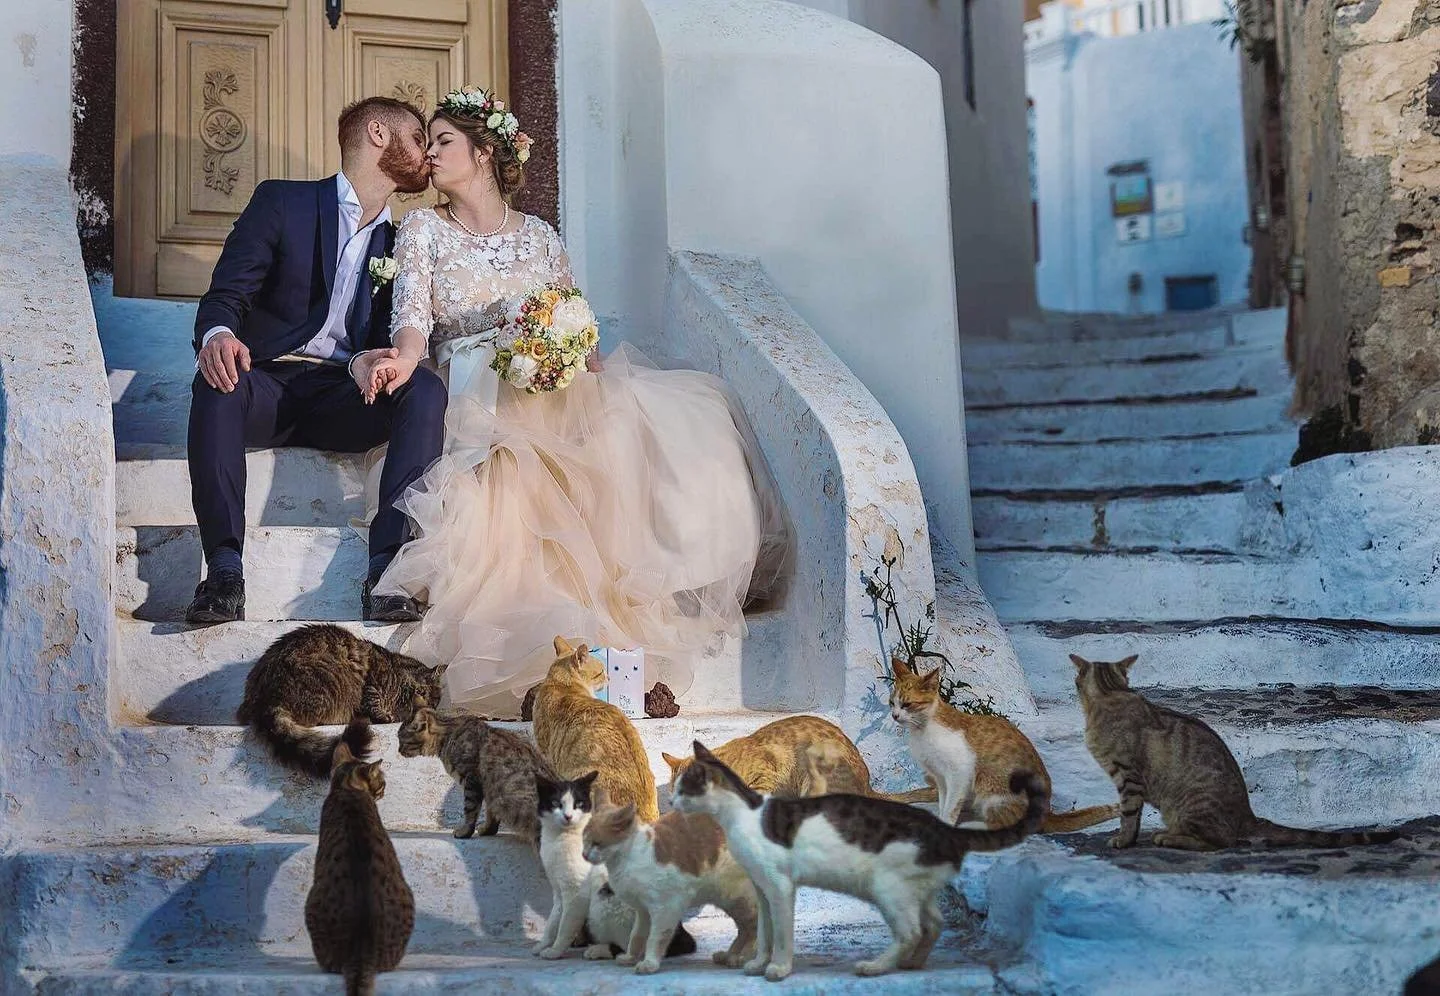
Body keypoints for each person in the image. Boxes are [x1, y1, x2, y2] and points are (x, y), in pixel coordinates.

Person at [354, 86, 787, 716]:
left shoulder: (539, 235)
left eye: (444, 141)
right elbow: (414, 321)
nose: (430, 155)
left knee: (663, 423)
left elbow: (572, 317)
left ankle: (618, 666)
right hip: (475, 387)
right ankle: (555, 664)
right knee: (512, 496)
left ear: (483, 152)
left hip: (549, 383)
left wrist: (575, 357)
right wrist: (400, 357)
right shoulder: (422, 229)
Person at [186, 96, 446, 625]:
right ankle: (224, 573)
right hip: (267, 384)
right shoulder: (284, 202)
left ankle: (388, 572)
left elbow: (388, 333)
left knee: (424, 387)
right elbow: (226, 295)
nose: (428, 154)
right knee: (216, 381)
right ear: (379, 134)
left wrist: (367, 362)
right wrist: (219, 336)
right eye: (419, 139)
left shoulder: (402, 241)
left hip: (345, 396)